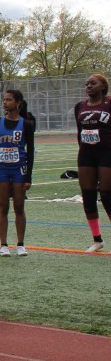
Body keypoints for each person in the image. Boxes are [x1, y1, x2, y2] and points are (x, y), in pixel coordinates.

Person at [0, 90, 35, 256]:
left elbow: (30, 152)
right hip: (2, 170)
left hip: (19, 170)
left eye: (9, 100)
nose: (5, 102)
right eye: (4, 99)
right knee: (3, 206)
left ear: (18, 102)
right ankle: (3, 245)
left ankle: (20, 244)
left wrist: (28, 177)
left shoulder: (26, 124)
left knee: (19, 207)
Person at [73, 73, 111, 253]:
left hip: (107, 153)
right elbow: (79, 131)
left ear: (103, 86)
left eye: (93, 83)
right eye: (87, 84)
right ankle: (97, 240)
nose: (88, 86)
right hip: (86, 154)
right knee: (88, 196)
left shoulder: (109, 103)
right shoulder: (80, 106)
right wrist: (83, 150)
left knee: (107, 195)